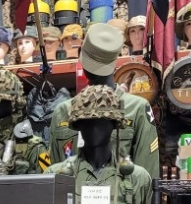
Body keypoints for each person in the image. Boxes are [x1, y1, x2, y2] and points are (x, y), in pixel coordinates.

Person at [49, 23, 159, 177]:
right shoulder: (62, 111)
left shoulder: (137, 108)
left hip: (119, 192)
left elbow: (146, 178)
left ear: (82, 60)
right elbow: (55, 176)